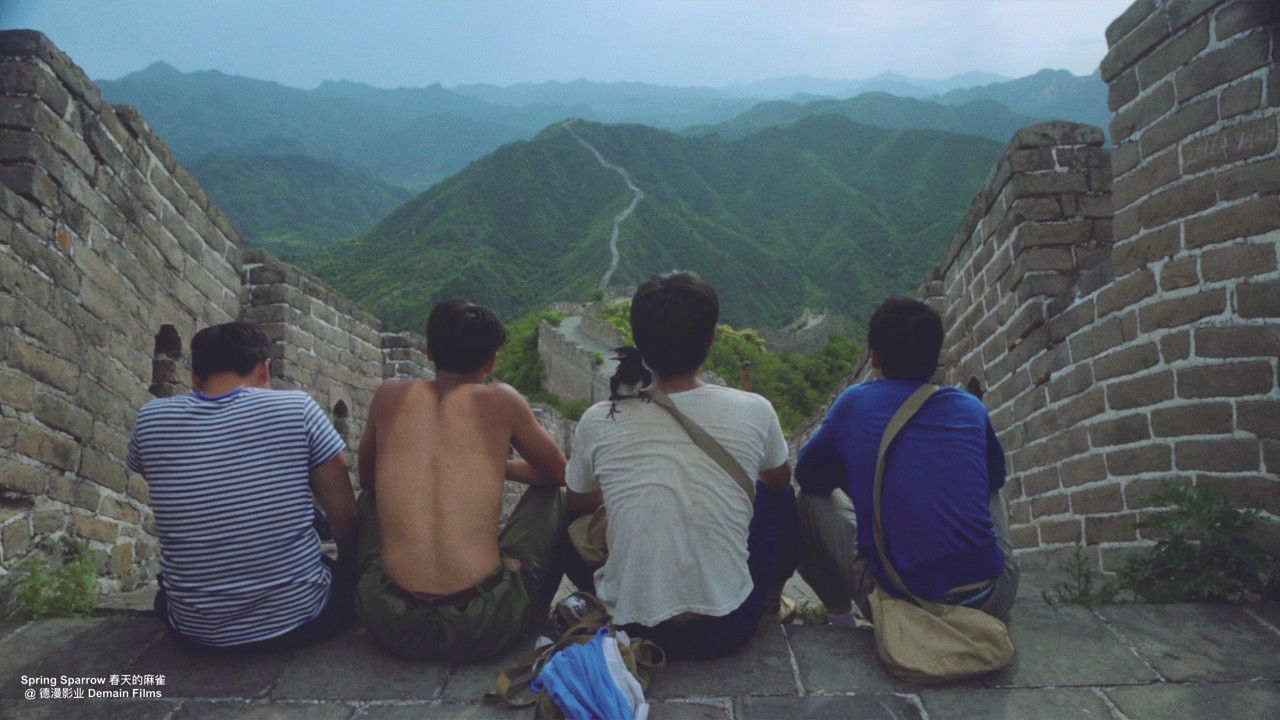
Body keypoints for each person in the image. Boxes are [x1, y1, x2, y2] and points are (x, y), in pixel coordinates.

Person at [565, 271, 800, 660]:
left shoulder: (597, 419)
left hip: (632, 626)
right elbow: (777, 479)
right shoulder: (756, 410)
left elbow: (577, 505)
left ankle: (611, 591)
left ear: (639, 344)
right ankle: (772, 599)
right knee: (781, 497)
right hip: (729, 627)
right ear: (710, 341)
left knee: (565, 514)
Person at [354, 300, 571, 661]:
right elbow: (558, 473)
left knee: (371, 499)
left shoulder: (389, 394)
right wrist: (491, 463)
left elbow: (368, 481)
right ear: (491, 361)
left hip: (389, 619)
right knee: (552, 496)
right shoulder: (501, 399)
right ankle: (530, 616)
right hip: (481, 626)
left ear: (429, 350)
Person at [126, 322, 359, 651]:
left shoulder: (150, 418)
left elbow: (172, 487)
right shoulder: (297, 408)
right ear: (266, 369)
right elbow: (346, 516)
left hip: (195, 633)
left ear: (195, 377)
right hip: (301, 619)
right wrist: (349, 567)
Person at [794, 296, 1019, 626]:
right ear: (935, 357)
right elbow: (994, 481)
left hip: (902, 607)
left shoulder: (854, 403)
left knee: (807, 504)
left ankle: (841, 620)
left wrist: (864, 478)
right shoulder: (970, 407)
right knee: (990, 480)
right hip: (992, 598)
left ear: (873, 357)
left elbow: (808, 475)